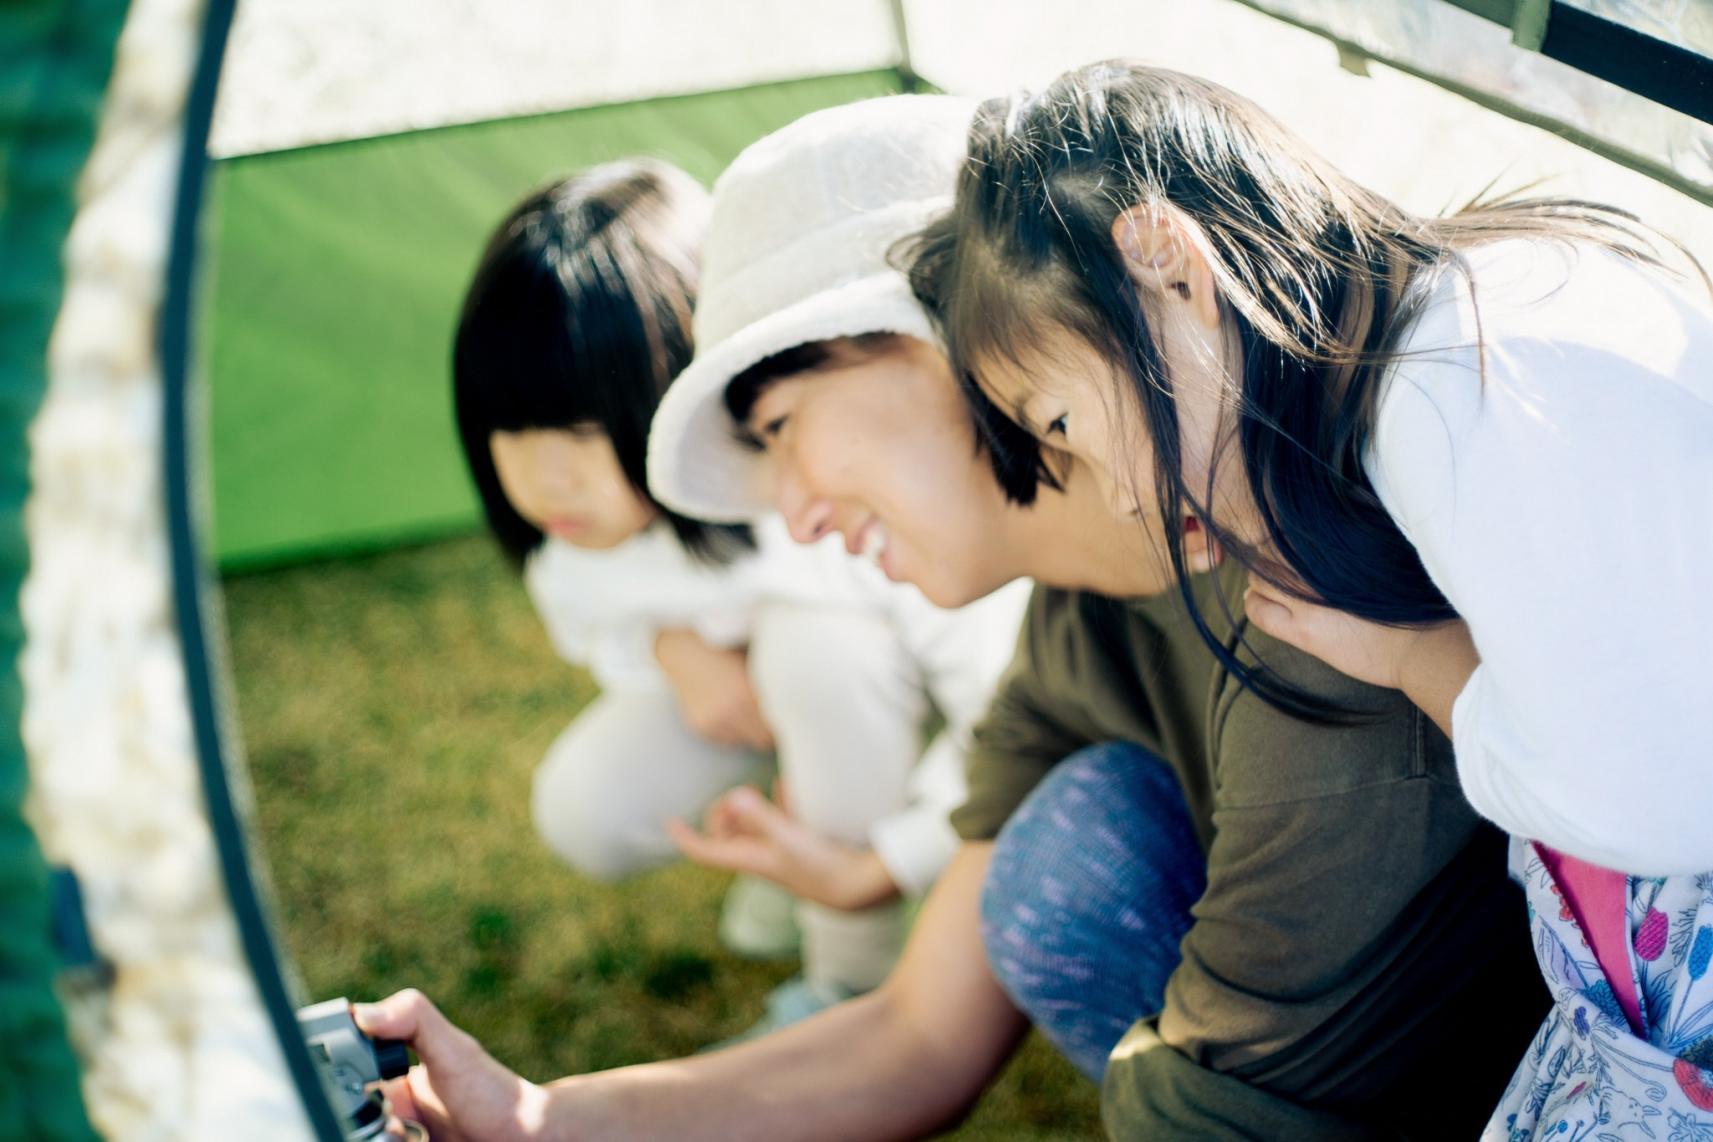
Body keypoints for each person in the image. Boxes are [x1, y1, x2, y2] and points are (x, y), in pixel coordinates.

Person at [358, 94, 1546, 1140]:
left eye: (779, 431)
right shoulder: (1078, 625)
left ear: (949, 336)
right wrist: (541, 1118)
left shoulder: (1309, 600)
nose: (798, 515)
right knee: (1059, 863)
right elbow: (915, 1037)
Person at [910, 60, 1713, 1137]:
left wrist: (1417, 661)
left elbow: (1639, 804)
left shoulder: (1452, 382)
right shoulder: (1483, 312)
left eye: (1062, 423)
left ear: (1170, 267)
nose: (1112, 490)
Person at [451, 159, 1027, 1032]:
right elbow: (585, 616)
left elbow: (1010, 713)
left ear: (680, 388)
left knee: (818, 647)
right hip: (794, 719)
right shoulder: (581, 537)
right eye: (510, 427)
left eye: (577, 428)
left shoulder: (820, 500)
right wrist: (670, 650)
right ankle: (798, 837)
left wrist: (890, 861)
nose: (543, 477)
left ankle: (849, 981)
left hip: (942, 725)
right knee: (585, 809)